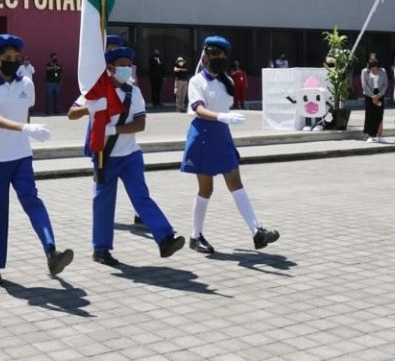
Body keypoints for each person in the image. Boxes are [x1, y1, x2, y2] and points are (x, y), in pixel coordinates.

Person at [67, 47, 185, 266]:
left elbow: (140, 124)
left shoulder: (134, 92)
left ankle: (165, 238)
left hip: (130, 155)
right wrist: (89, 108)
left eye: (129, 64)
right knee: (103, 203)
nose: (126, 68)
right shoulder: (95, 91)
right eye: (121, 64)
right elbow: (71, 114)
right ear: (110, 68)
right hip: (105, 156)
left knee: (141, 197)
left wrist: (114, 130)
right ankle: (101, 250)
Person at [0, 34, 74, 285]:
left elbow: (25, 112)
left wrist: (26, 132)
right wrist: (26, 129)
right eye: (7, 58)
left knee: (32, 200)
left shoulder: (26, 84)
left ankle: (51, 250)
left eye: (15, 57)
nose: (13, 61)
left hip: (21, 155)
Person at [181, 36, 280, 254]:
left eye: (222, 54)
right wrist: (220, 117)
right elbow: (198, 109)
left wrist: (224, 119)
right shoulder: (197, 81)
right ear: (205, 56)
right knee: (206, 188)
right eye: (214, 54)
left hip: (222, 133)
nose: (218, 58)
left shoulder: (228, 82)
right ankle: (195, 236)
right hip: (204, 134)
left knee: (236, 182)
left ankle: (257, 231)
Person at [361, 58, 388, 142]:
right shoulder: (365, 71)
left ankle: (380, 135)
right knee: (370, 115)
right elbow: (364, 86)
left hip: (380, 94)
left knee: (379, 115)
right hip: (369, 94)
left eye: (376, 68)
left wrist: (379, 95)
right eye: (373, 68)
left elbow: (385, 84)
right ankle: (370, 135)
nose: (375, 69)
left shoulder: (383, 71)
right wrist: (372, 96)